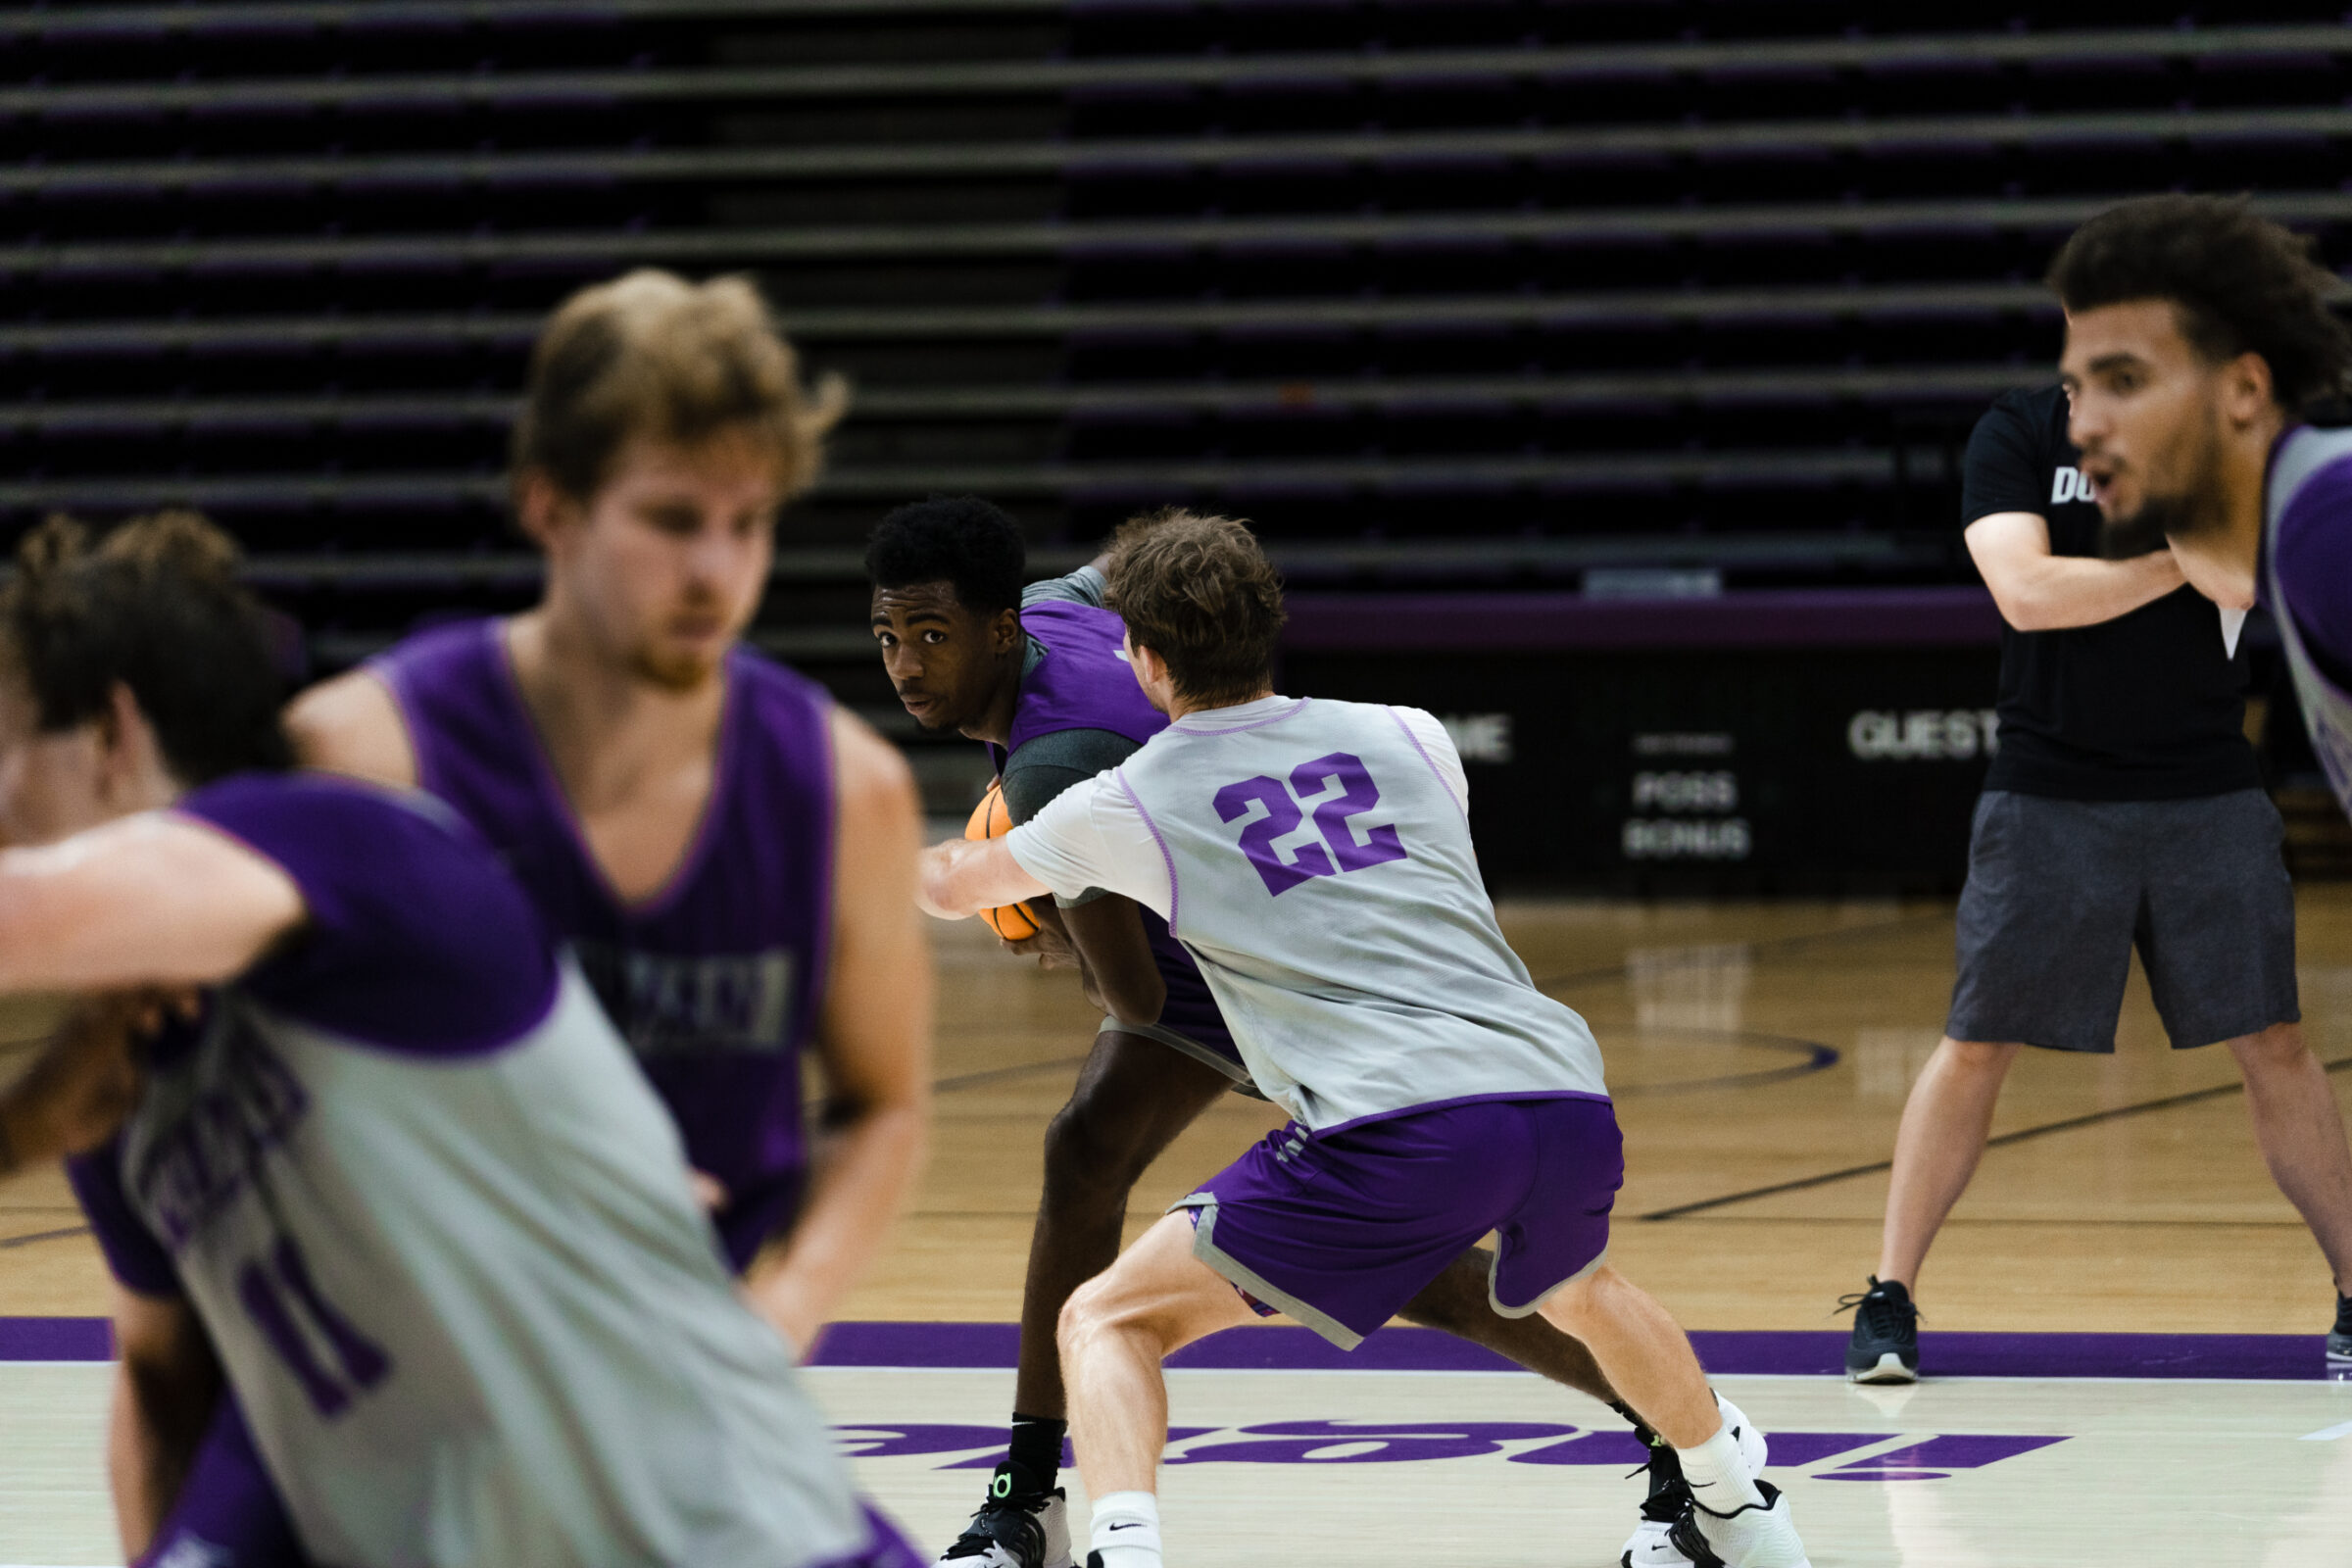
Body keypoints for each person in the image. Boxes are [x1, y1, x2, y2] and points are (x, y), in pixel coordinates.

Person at [142, 269, 931, 1562]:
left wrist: (780, 1308)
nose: (716, 569)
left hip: (664, 1405)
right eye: (672, 518)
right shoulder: (360, 755)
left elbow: (882, 1103)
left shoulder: (848, 789)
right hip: (385, 1411)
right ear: (549, 506)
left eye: (749, 523)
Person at [0, 511, 924, 1568]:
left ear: (113, 735)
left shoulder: (336, 839)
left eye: (4, 746)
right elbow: (167, 1390)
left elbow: (22, 915)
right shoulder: (120, 1072)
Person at [870, 497, 1758, 1568]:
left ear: (1002, 631)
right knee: (1090, 1146)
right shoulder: (1063, 607)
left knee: (1401, 1243)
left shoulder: (1061, 768)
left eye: (931, 636)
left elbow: (1140, 1001)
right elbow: (1128, 564)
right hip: (1276, 885)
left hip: (1267, 956)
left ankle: (1673, 1437)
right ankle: (1027, 1485)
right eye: (892, 640)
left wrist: (1042, 928)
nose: (909, 665)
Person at [1839, 355, 2330, 1380]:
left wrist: (2120, 570)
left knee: (2275, 1042)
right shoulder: (2016, 432)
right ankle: (1888, 1295)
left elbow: (2240, 579)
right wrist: (2164, 561)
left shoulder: (2221, 434)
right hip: (2049, 784)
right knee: (1977, 1042)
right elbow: (2023, 593)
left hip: (2206, 784)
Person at [2022, 192, 2352, 1372]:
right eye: (2076, 386)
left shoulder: (2331, 522)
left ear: (2243, 392)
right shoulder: (2300, 537)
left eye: (2123, 379)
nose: (2087, 422)